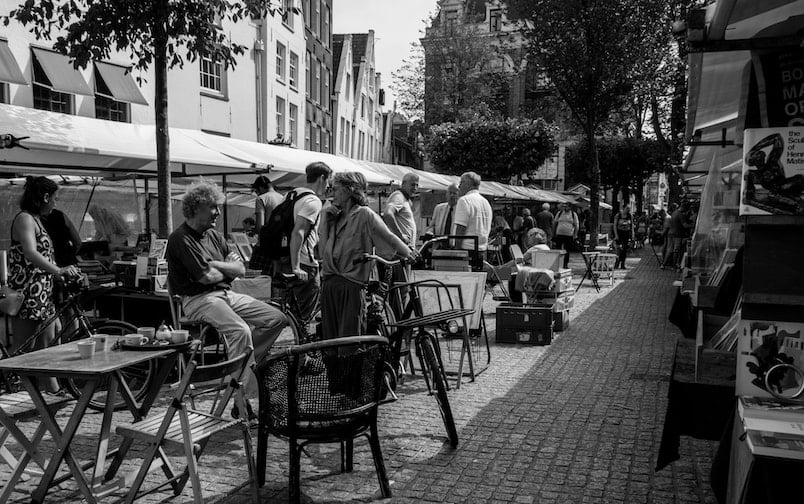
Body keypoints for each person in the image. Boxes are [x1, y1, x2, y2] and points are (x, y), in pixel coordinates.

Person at [166, 179, 288, 408]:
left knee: (276, 319)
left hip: (225, 294)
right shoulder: (180, 238)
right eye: (214, 207)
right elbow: (206, 278)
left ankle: (244, 366)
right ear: (196, 208)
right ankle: (245, 401)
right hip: (199, 299)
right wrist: (226, 266)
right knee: (240, 331)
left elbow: (241, 268)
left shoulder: (212, 235)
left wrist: (216, 264)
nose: (218, 213)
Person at [319, 172, 417, 339]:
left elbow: (389, 237)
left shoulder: (364, 214)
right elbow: (322, 253)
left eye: (335, 189)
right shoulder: (333, 217)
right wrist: (324, 221)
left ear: (349, 190)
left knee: (348, 343)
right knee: (329, 342)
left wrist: (409, 252)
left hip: (351, 285)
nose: (331, 193)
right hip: (329, 286)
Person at [9, 177, 81, 392]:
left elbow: (44, 254)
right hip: (28, 292)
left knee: (49, 343)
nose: (56, 204)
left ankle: (53, 390)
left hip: (43, 291)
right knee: (24, 349)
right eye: (55, 199)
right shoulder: (25, 219)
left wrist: (59, 273)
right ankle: (18, 392)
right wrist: (58, 270)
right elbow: (30, 252)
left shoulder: (37, 219)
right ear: (45, 197)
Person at [278, 161, 332, 322]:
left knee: (293, 313)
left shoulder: (290, 195)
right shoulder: (312, 201)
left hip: (284, 258)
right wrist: (296, 266)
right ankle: (303, 344)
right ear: (322, 178)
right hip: (304, 263)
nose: (328, 185)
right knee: (305, 315)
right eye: (328, 180)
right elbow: (298, 232)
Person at [378, 172, 419, 315]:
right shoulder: (398, 196)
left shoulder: (406, 200)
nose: (415, 187)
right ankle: (396, 327)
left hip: (404, 252)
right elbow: (388, 214)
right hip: (398, 253)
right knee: (400, 291)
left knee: (401, 291)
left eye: (417, 184)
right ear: (404, 184)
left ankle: (397, 325)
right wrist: (400, 236)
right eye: (412, 184)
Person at [453, 171, 493, 262]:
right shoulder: (486, 202)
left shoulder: (464, 200)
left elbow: (460, 229)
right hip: (482, 250)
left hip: (466, 251)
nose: (459, 186)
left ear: (468, 184)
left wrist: (456, 251)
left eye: (461, 183)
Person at [662, 201, 688, 270]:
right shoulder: (680, 214)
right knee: (676, 250)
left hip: (670, 233)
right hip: (677, 234)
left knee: (669, 249)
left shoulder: (674, 213)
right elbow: (685, 225)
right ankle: (674, 265)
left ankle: (663, 264)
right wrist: (692, 225)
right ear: (684, 208)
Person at [553, 202, 578, 269]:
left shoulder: (573, 214)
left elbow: (576, 225)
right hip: (559, 234)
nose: (565, 208)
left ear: (570, 207)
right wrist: (554, 232)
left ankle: (565, 264)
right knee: (558, 249)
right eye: (564, 206)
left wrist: (575, 235)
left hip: (569, 235)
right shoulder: (559, 213)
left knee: (567, 250)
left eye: (566, 206)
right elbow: (555, 223)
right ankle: (557, 263)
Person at [613, 205, 634, 269]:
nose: (628, 210)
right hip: (619, 233)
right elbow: (614, 225)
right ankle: (617, 263)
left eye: (629, 209)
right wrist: (616, 235)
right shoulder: (618, 215)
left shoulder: (629, 216)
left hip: (626, 234)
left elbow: (632, 225)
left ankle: (622, 264)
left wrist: (632, 234)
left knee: (625, 249)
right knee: (619, 249)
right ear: (623, 208)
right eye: (627, 208)